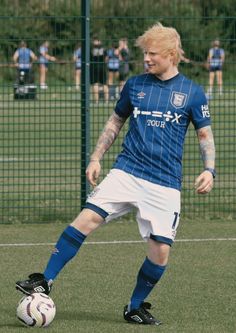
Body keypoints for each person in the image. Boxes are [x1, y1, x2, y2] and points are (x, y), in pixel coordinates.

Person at [16, 23, 216, 326]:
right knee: (86, 218)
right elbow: (114, 123)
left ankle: (134, 306)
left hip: (165, 183)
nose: (146, 59)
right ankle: (45, 280)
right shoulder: (135, 84)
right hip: (127, 171)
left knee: (160, 252)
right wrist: (96, 157)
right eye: (144, 53)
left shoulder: (192, 92)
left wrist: (209, 169)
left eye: (152, 54)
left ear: (171, 54)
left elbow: (205, 136)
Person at [90, 36, 109, 103]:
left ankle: (96, 101)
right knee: (104, 84)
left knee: (95, 84)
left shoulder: (91, 49)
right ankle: (106, 101)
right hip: (102, 67)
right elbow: (107, 59)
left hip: (94, 68)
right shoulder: (104, 49)